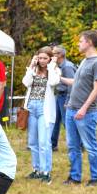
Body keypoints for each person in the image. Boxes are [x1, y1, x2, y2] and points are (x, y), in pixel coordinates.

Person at [60, 30, 97, 186]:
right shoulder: (84, 61)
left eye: (81, 41)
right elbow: (77, 83)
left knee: (90, 146)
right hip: (72, 109)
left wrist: (84, 108)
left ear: (90, 43)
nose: (78, 44)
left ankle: (96, 178)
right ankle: (75, 177)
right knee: (72, 146)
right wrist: (58, 79)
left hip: (86, 112)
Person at [22, 46, 61, 184]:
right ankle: (36, 170)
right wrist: (31, 66)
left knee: (44, 142)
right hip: (32, 107)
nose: (42, 60)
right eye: (40, 58)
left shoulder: (54, 70)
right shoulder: (33, 69)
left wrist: (51, 66)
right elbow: (25, 83)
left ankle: (46, 172)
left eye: (45, 58)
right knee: (33, 142)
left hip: (45, 109)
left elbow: (53, 82)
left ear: (50, 58)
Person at [50, 46, 77, 152]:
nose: (52, 55)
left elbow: (72, 84)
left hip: (66, 96)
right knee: (55, 121)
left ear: (60, 55)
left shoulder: (67, 67)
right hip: (59, 95)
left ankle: (77, 145)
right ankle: (52, 144)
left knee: (68, 123)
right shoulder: (58, 66)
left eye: (54, 53)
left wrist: (68, 101)